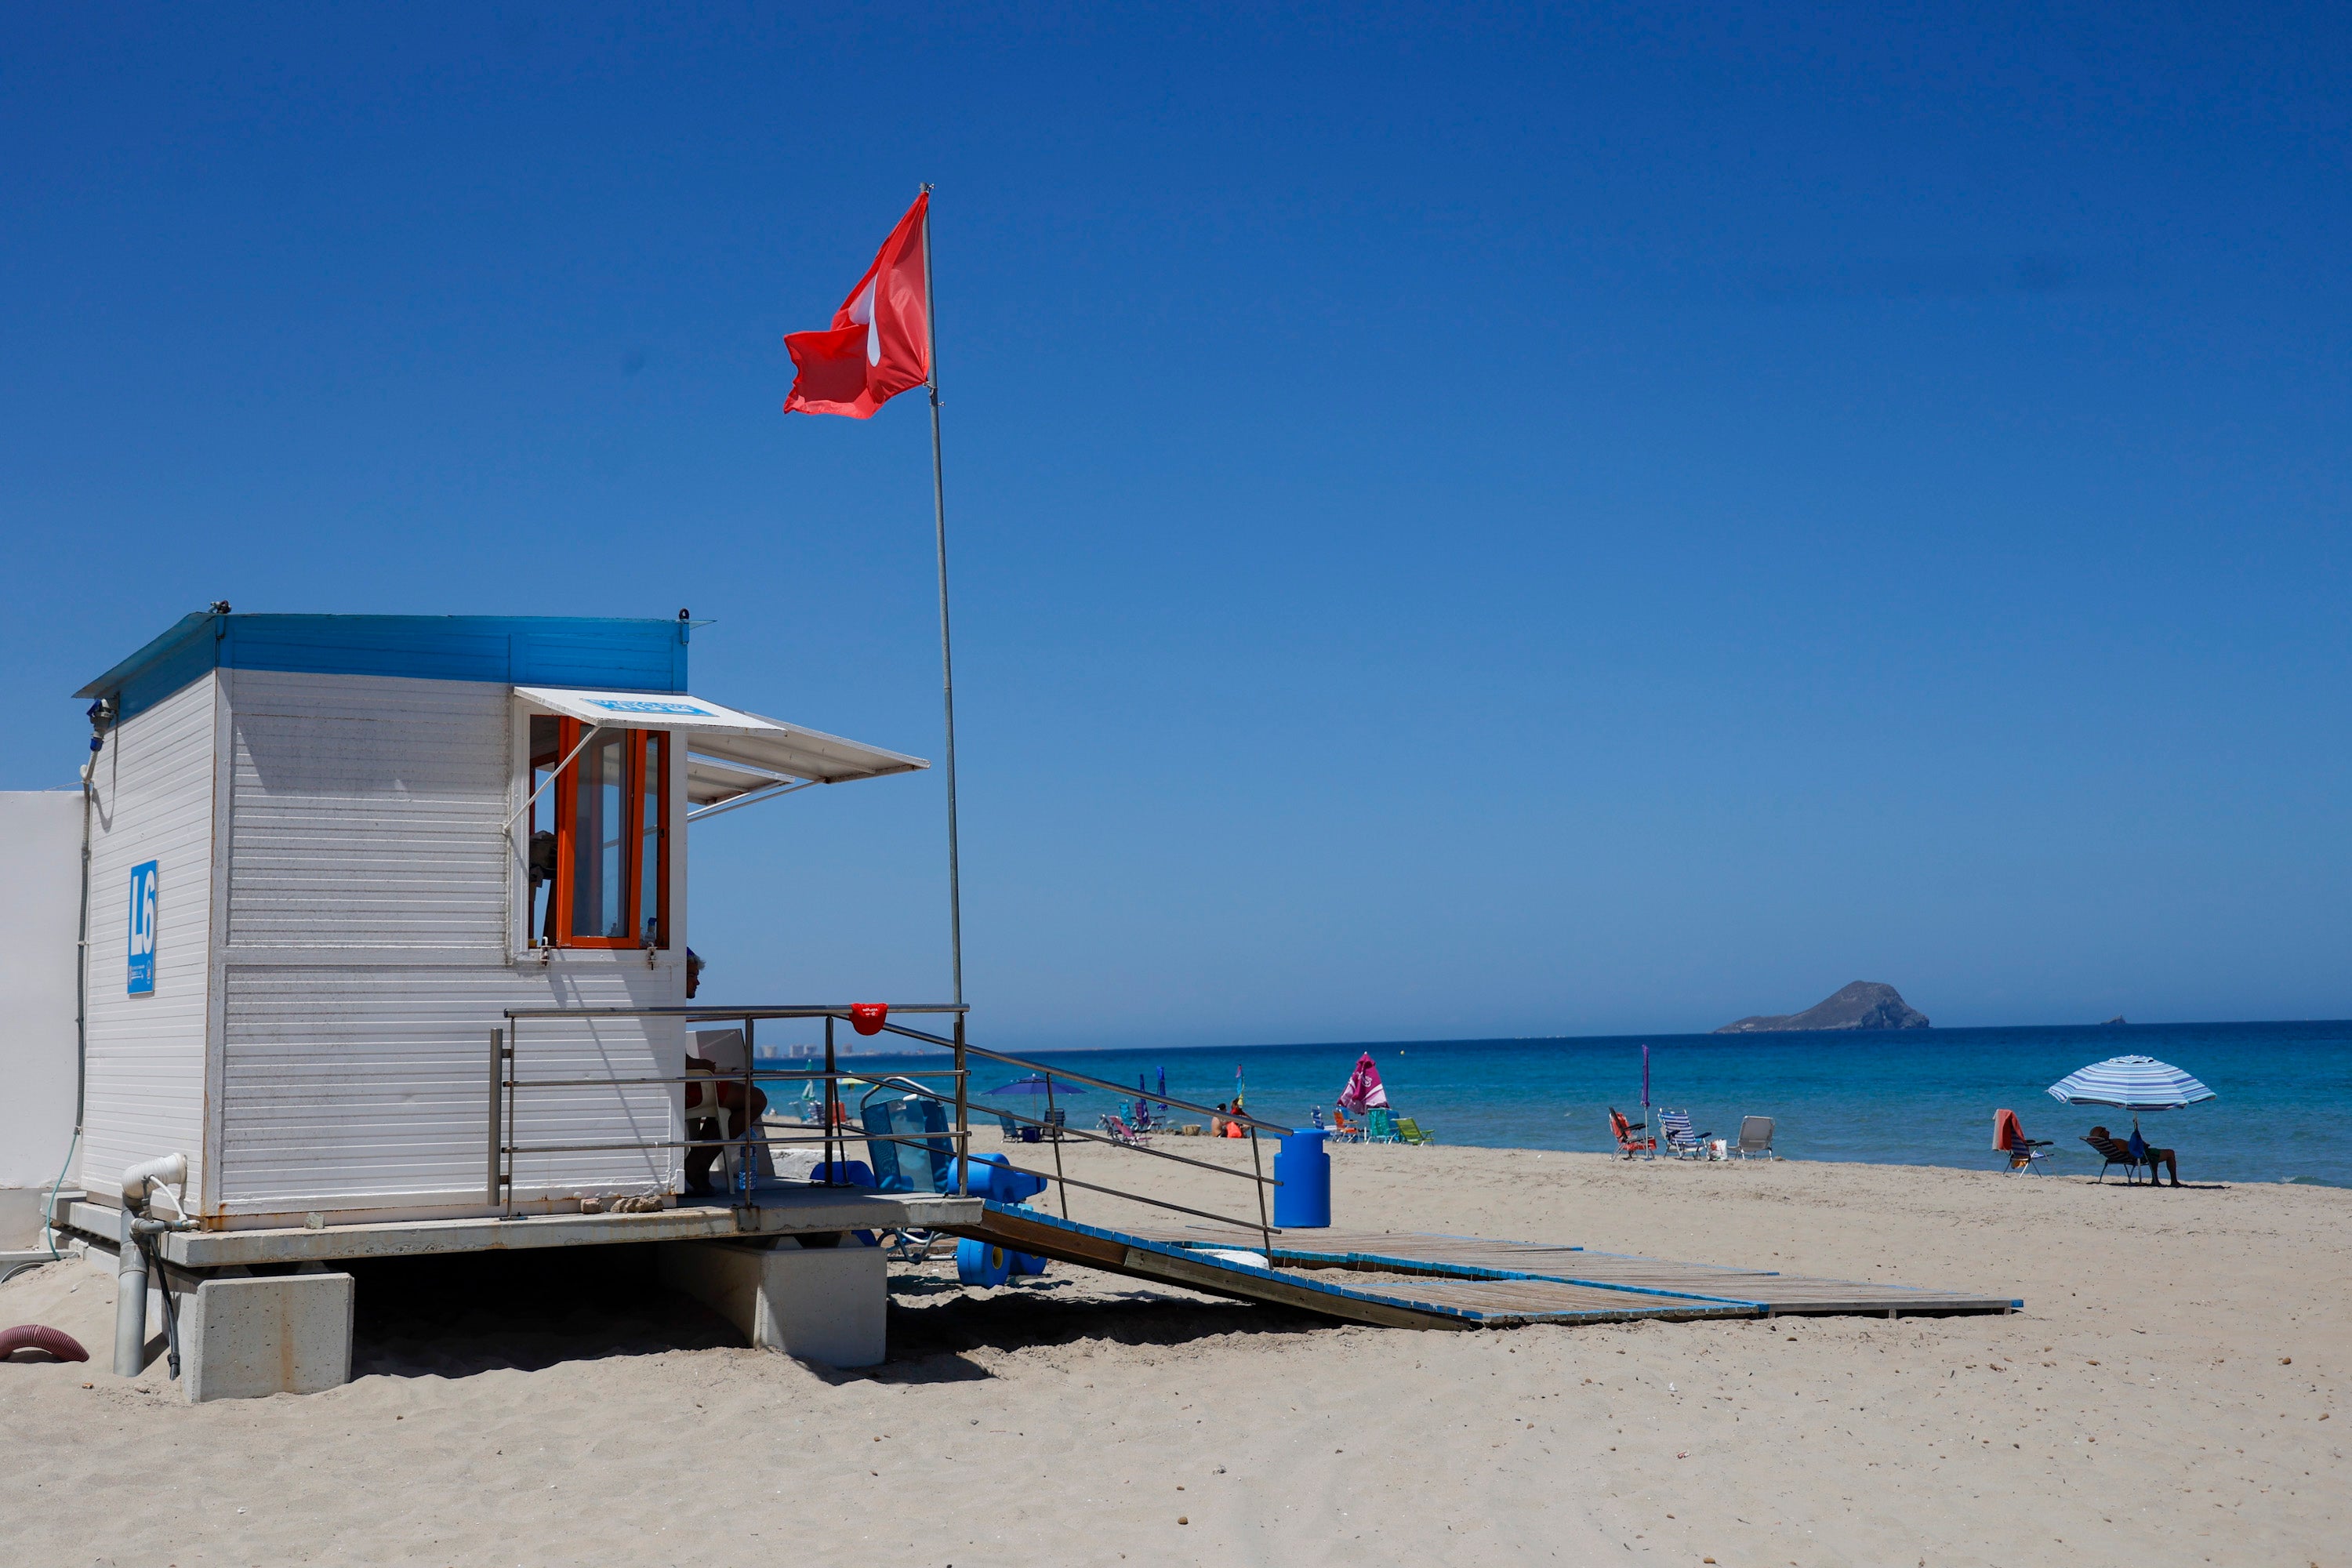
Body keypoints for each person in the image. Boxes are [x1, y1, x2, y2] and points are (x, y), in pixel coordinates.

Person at [2088, 1124, 2181, 1187]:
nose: (2106, 1130)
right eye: (2103, 1129)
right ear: (2102, 1134)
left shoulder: (2108, 1145)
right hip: (2138, 1156)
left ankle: (2155, 1180)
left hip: (2125, 1156)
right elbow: (2130, 1149)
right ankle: (2174, 1181)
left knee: (2154, 1154)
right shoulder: (2116, 1142)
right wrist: (2141, 1144)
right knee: (2170, 1153)